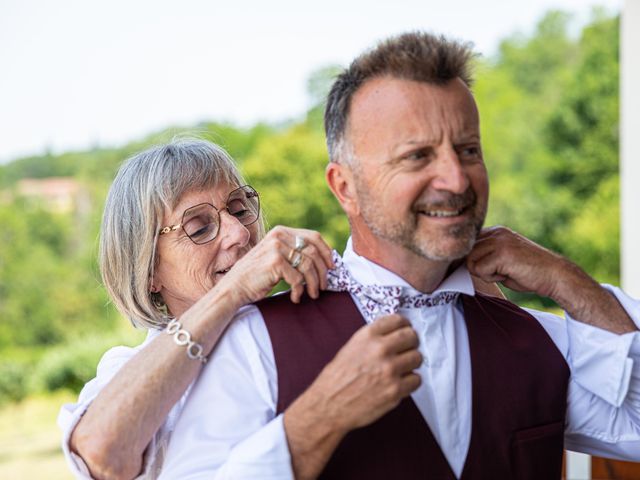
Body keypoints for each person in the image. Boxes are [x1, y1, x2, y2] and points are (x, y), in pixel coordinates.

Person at [157, 32, 640, 479]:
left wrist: (566, 282)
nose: (455, 179)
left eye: (469, 150)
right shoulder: (252, 342)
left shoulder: (537, 339)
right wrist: (315, 421)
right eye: (417, 156)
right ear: (345, 187)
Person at [57, 139, 338, 479]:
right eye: (199, 227)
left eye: (239, 208)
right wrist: (233, 290)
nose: (239, 234)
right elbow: (101, 455)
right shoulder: (127, 369)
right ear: (149, 272)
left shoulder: (308, 314)